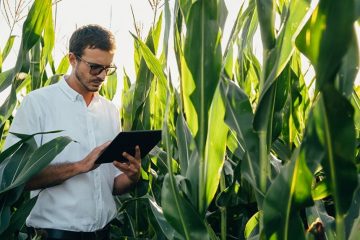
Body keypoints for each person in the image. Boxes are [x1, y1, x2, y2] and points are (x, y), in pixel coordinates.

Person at [4, 24, 141, 240]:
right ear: (72, 59)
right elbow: (12, 178)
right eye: (95, 67)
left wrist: (132, 176)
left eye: (108, 69)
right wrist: (79, 166)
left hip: (103, 233)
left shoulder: (109, 110)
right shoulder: (38, 104)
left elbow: (113, 185)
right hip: (54, 234)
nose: (102, 76)